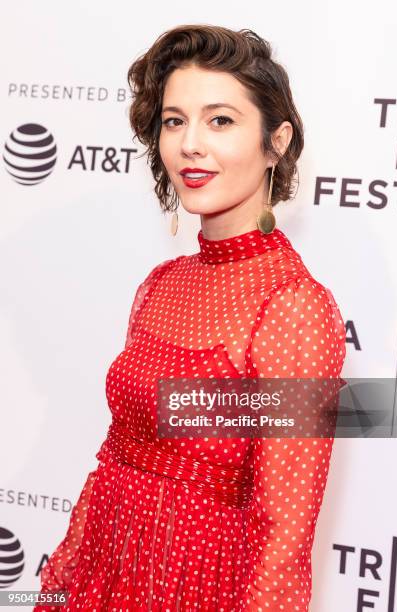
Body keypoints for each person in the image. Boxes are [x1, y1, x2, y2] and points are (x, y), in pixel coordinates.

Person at [34, 24, 346, 611]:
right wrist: (57, 586)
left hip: (197, 591)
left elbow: (285, 529)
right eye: (174, 120)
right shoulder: (161, 284)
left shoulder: (293, 308)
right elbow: (112, 460)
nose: (189, 145)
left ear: (276, 141)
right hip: (107, 572)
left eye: (220, 120)